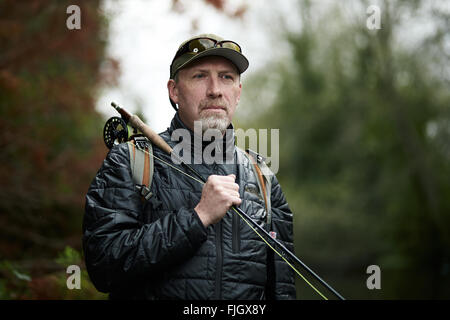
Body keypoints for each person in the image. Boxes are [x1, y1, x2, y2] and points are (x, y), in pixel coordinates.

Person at [83, 34, 296, 300]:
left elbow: (283, 289)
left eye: (226, 77)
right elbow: (104, 267)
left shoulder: (263, 177)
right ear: (174, 91)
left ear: (238, 92)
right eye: (200, 76)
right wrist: (197, 218)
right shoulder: (130, 161)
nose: (215, 89)